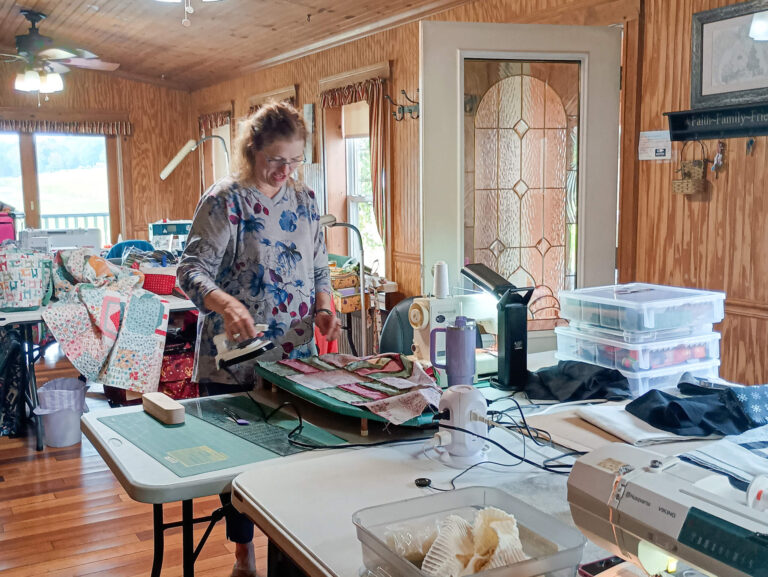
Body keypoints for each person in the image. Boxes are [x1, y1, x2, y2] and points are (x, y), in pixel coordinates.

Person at [177, 100, 341, 577]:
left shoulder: (306, 201)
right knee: (241, 469)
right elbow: (190, 271)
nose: (283, 171)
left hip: (295, 359)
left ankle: (287, 556)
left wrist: (326, 306)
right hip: (234, 360)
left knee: (292, 463)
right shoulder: (225, 200)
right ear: (252, 151)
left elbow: (319, 270)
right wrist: (226, 303)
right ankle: (243, 550)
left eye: (293, 161)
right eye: (275, 160)